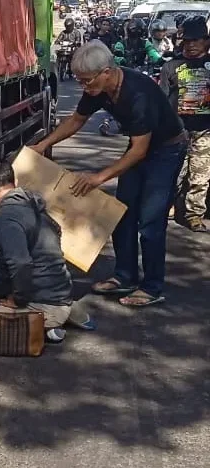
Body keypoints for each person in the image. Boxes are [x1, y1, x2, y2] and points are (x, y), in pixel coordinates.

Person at [31, 40, 187, 307]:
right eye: (80, 81)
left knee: (150, 221)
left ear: (107, 72)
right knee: (122, 214)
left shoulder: (139, 93)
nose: (84, 86)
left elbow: (139, 152)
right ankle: (124, 276)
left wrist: (98, 177)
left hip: (166, 150)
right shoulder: (97, 89)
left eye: (87, 81)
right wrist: (44, 143)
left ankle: (152, 286)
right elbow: (76, 120)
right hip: (140, 146)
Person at [0, 157, 96, 344]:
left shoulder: (6, 218)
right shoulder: (32, 203)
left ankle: (45, 325)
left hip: (45, 303)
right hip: (60, 292)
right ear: (14, 183)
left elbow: (21, 263)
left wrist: (16, 300)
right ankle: (61, 314)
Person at [159, 16, 210, 232]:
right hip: (176, 132)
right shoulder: (171, 67)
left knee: (200, 175)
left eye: (196, 40)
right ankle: (167, 206)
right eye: (187, 40)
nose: (190, 45)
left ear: (206, 41)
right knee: (173, 173)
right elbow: (161, 100)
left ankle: (194, 215)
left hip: (204, 130)